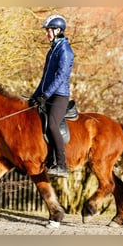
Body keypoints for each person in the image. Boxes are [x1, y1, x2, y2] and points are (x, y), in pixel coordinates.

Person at [29, 14, 74, 178]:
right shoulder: (52, 50)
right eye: (47, 30)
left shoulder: (65, 51)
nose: (47, 33)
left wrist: (46, 95)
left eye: (49, 30)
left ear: (58, 31)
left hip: (59, 96)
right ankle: (48, 159)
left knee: (52, 125)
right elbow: (45, 78)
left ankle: (62, 165)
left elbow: (60, 76)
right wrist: (35, 96)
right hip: (48, 95)